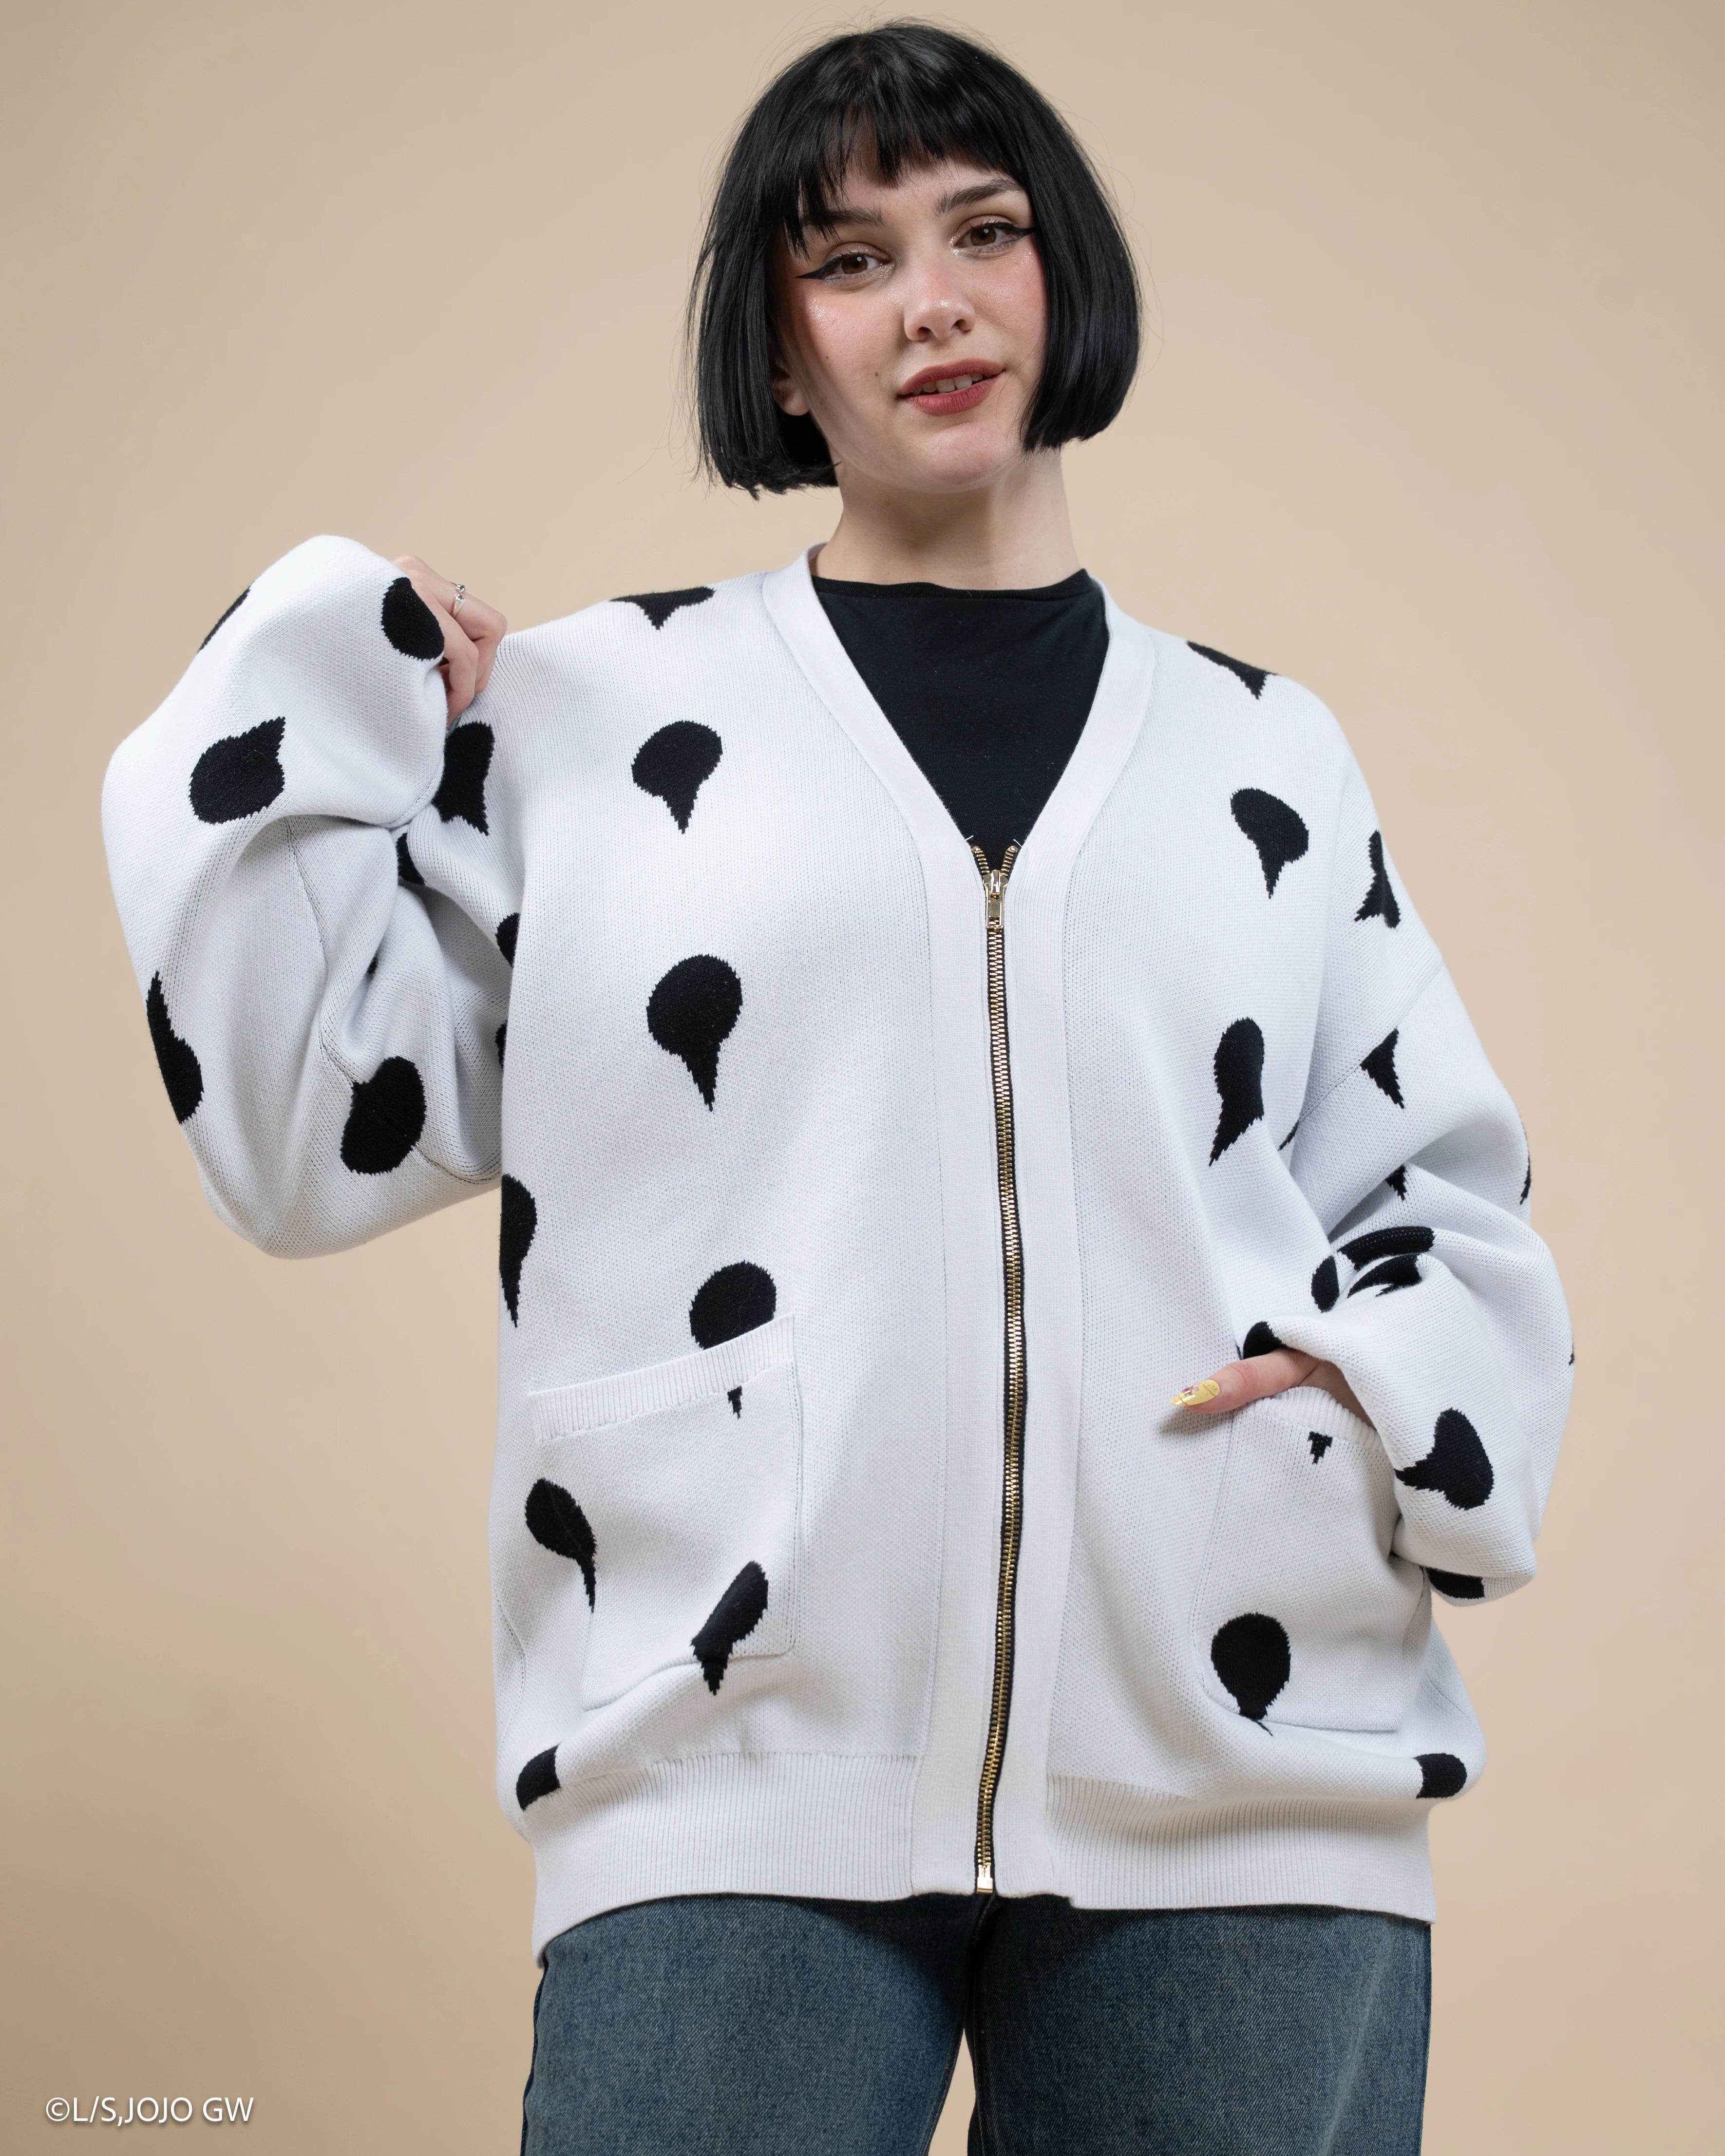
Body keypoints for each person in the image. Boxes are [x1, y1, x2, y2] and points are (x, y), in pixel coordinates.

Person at [101, 22, 1571, 2155]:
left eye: (982, 233)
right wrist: (330, 658)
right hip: (727, 1754)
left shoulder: (1265, 750)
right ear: (782, 354)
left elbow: (1445, 1188)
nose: (934, 304)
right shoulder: (603, 719)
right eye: (854, 261)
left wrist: (1356, 1403)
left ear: (1061, 276)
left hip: (1253, 1776)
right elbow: (298, 1123)